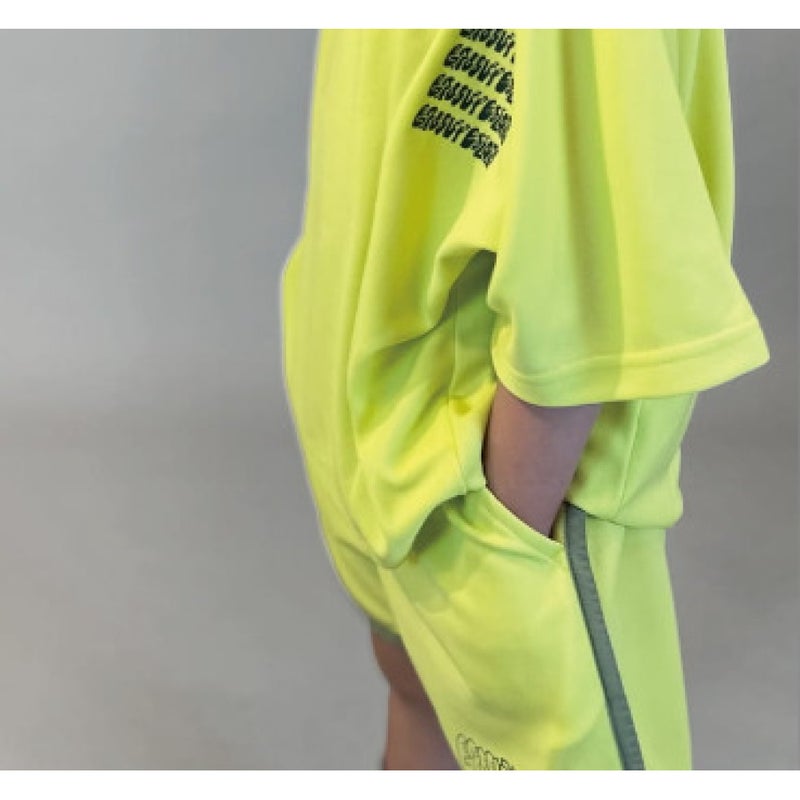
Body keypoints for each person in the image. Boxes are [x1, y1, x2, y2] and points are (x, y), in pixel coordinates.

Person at [279, 29, 770, 770]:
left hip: (448, 461)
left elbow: (579, 283)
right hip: (408, 449)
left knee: (442, 712)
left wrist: (507, 531)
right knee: (419, 696)